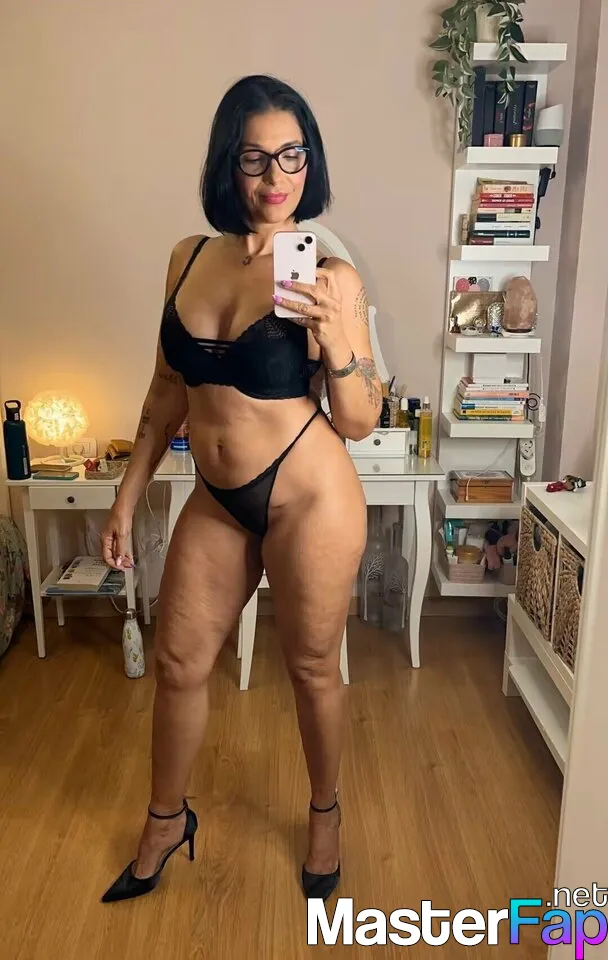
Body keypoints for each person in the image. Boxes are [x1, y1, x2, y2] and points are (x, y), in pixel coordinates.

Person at [100, 74, 382, 904]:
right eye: (255, 158)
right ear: (229, 162)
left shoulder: (330, 274)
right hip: (219, 496)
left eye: (292, 155)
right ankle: (164, 820)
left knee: (310, 667)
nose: (274, 177)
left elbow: (360, 419)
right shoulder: (187, 259)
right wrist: (126, 496)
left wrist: (337, 341)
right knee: (178, 662)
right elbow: (165, 392)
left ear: (310, 161)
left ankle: (325, 813)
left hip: (309, 496)